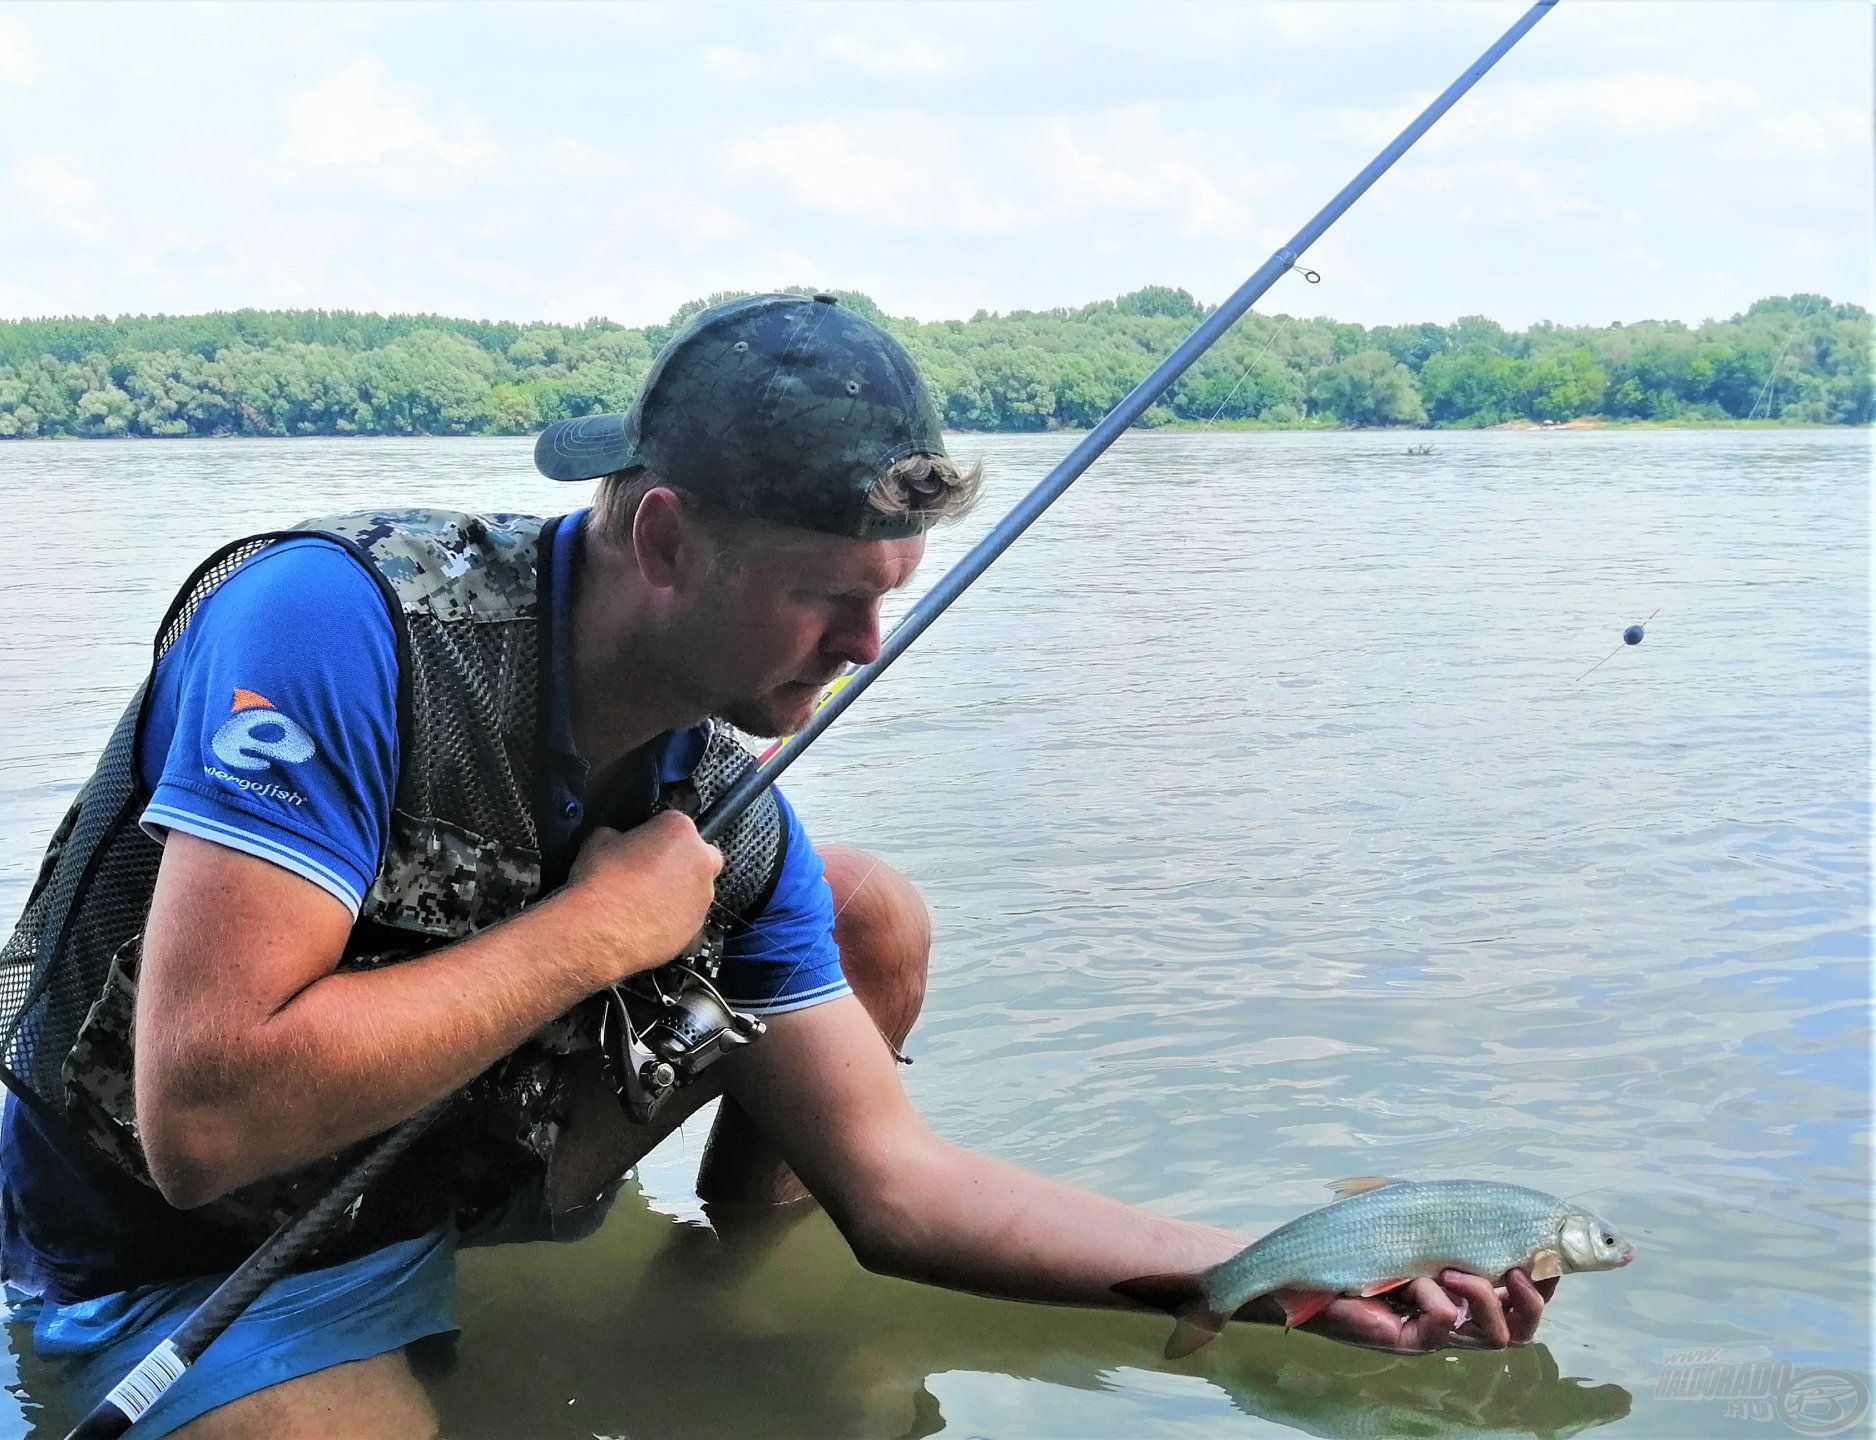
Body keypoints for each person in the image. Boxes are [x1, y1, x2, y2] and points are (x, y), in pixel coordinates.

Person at [0, 294, 1554, 1438]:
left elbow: (896, 1184)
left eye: (892, 596)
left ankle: (705, 1312)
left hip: (421, 1188)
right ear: (665, 537)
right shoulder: (334, 625)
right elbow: (200, 1121)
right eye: (827, 599)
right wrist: (591, 933)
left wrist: (1273, 1270)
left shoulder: (729, 808)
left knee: (860, 913)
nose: (869, 648)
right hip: (170, 1251)